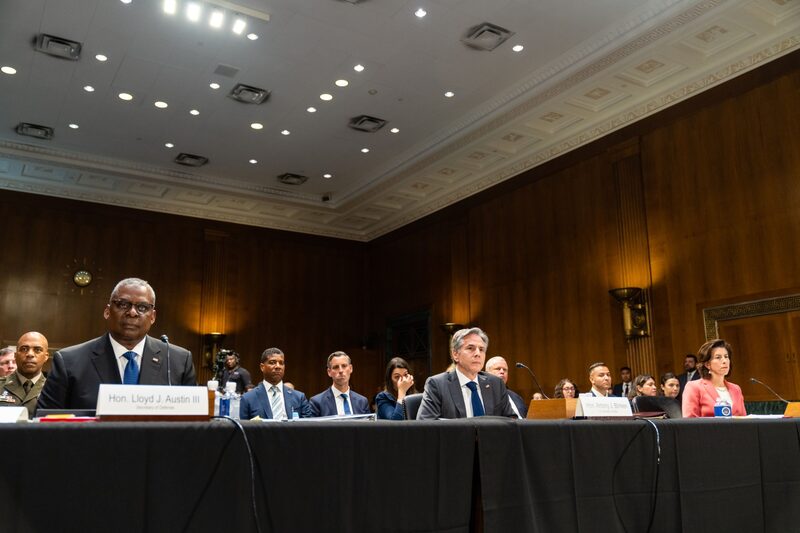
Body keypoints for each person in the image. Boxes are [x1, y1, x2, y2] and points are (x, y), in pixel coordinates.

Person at [37, 278, 196, 411]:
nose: (132, 312)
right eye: (123, 304)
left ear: (153, 316)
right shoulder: (69, 361)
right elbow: (44, 421)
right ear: (107, 311)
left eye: (142, 307)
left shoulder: (178, 361)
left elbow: (194, 423)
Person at [417, 327, 516, 419]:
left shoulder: (496, 384)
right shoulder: (437, 385)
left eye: (481, 349)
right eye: (470, 348)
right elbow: (426, 424)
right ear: (455, 354)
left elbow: (511, 420)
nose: (478, 354)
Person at [240, 347, 312, 420]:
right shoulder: (248, 398)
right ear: (262, 367)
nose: (278, 366)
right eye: (272, 362)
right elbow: (244, 429)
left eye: (281, 363)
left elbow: (308, 427)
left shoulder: (299, 397)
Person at [682, 339, 746, 418]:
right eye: (718, 357)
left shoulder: (736, 389)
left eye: (726, 357)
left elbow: (744, 419)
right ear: (707, 364)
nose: (724, 361)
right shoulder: (694, 387)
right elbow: (690, 422)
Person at [0, 332, 49, 418]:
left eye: (37, 350)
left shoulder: (53, 389)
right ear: (15, 355)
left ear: (46, 357)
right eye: (24, 349)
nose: (30, 354)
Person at [309, 351, 370, 416]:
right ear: (329, 372)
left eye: (344, 366)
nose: (341, 371)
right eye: (336, 367)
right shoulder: (317, 402)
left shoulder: (362, 401)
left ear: (350, 368)